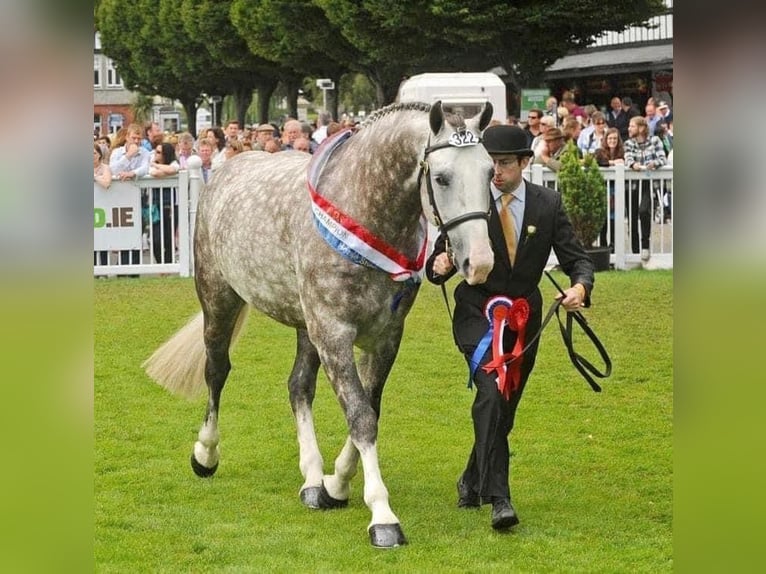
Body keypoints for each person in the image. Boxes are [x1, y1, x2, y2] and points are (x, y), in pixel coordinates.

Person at [426, 125, 595, 531]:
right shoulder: (473, 199)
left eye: (504, 163)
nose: (496, 172)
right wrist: (441, 266)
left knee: (505, 410)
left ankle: (471, 478)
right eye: (492, 164)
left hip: (524, 319)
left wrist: (579, 287)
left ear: (525, 162)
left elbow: (578, 259)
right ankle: (499, 498)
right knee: (489, 394)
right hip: (477, 314)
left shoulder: (547, 204)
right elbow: (439, 262)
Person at [109, 122, 152, 273]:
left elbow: (145, 168)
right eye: (134, 138)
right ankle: (121, 267)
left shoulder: (145, 152)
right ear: (127, 137)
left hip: (138, 197)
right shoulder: (117, 152)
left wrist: (132, 173)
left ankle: (134, 268)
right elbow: (113, 169)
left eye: (139, 139)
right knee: (121, 231)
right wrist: (128, 156)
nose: (136, 142)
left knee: (137, 230)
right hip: (118, 198)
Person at [624, 116, 667, 261]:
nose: (629, 128)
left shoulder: (655, 141)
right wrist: (632, 164)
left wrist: (654, 163)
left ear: (641, 128)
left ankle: (645, 246)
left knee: (644, 211)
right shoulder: (628, 143)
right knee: (632, 217)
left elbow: (663, 158)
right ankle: (636, 252)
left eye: (632, 126)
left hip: (649, 183)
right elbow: (628, 158)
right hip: (633, 184)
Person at [594, 128, 625, 249]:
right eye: (610, 138)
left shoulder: (622, 151)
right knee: (603, 221)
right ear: (606, 139)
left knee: (614, 220)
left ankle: (613, 247)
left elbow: (624, 161)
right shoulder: (599, 151)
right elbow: (600, 161)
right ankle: (602, 246)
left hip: (617, 190)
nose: (612, 141)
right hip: (602, 189)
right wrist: (613, 162)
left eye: (615, 138)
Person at [94, 143, 112, 267]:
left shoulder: (105, 168)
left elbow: (106, 183)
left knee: (103, 235)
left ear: (99, 154)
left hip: (102, 206)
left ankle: (104, 269)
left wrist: (94, 177)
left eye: (94, 153)